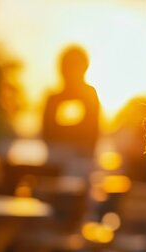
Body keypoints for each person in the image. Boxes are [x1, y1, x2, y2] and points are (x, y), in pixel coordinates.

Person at [42, 46, 100, 176]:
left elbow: (92, 133)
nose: (70, 72)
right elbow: (47, 133)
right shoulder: (53, 99)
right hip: (55, 167)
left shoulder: (89, 94)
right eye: (67, 67)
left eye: (74, 67)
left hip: (83, 166)